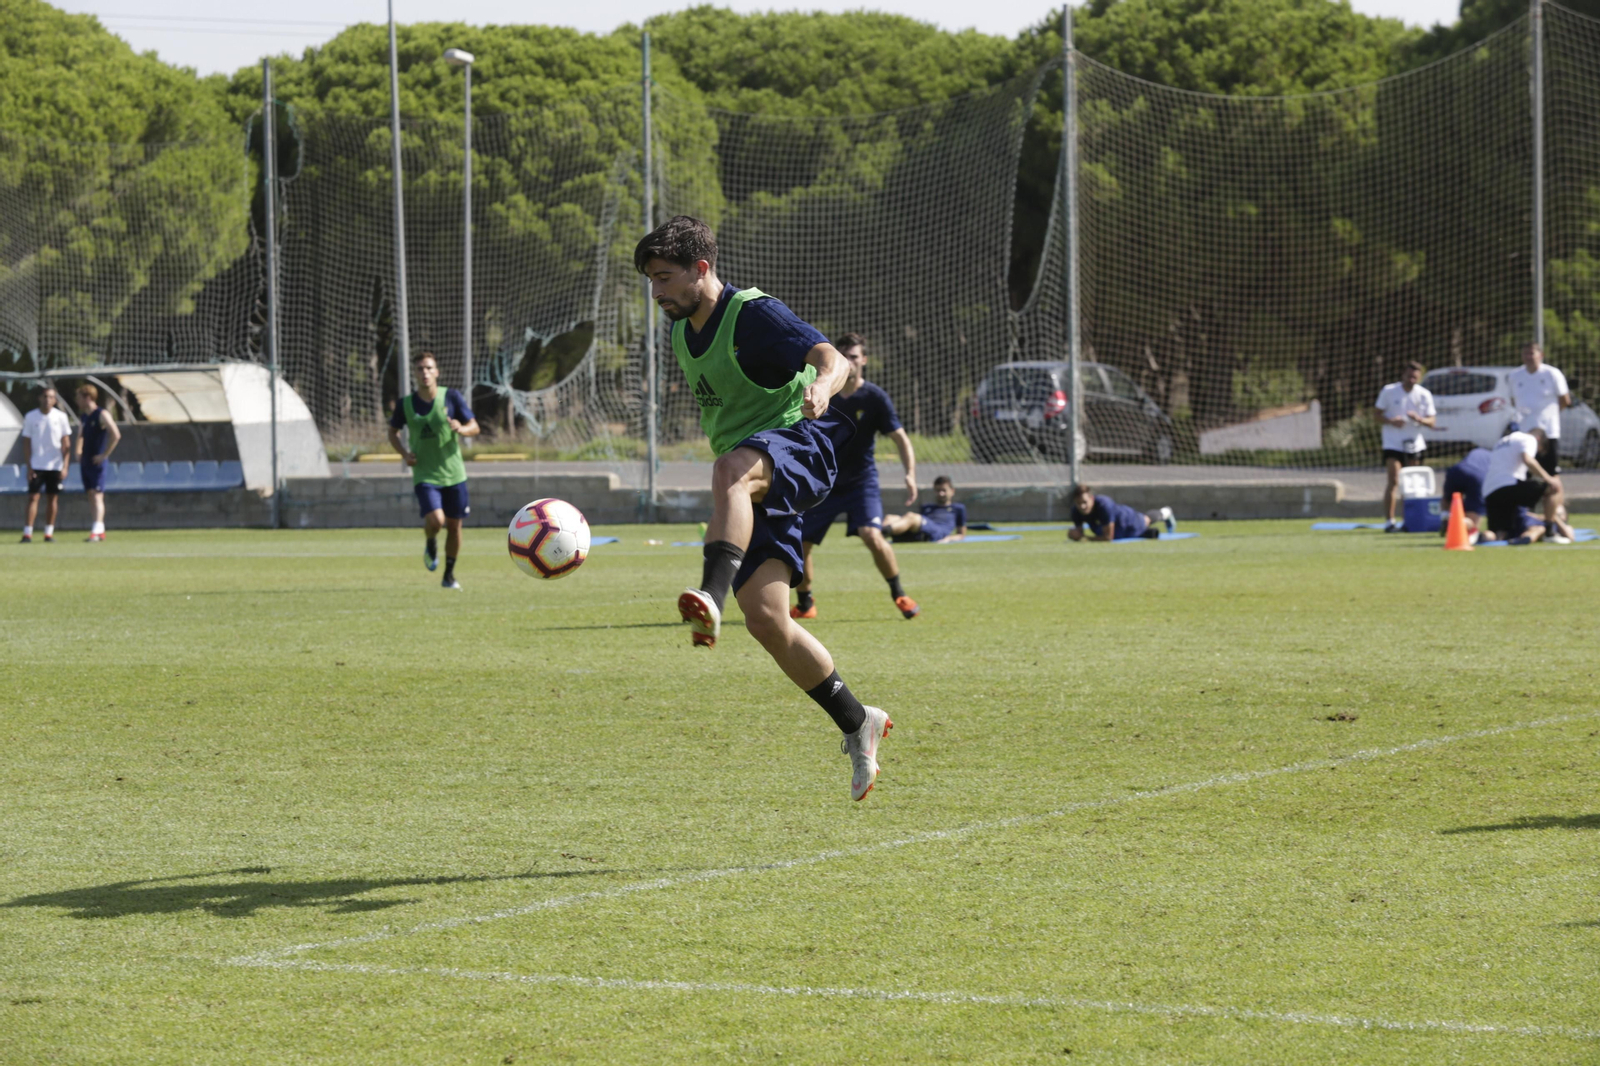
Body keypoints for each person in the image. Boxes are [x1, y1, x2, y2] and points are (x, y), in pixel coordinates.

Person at [637, 215, 891, 802]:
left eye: (666, 278)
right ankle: (859, 722)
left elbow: (833, 357)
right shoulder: (680, 333)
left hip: (801, 443)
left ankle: (709, 595)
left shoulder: (754, 313)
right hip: (755, 476)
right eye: (651, 281)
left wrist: (824, 386)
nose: (657, 293)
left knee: (727, 470)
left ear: (702, 269)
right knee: (770, 621)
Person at [792, 332, 920, 621]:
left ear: (863, 360)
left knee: (871, 534)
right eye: (844, 356)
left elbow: (900, 438)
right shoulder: (824, 393)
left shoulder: (874, 397)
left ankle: (899, 593)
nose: (849, 361)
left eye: (854, 356)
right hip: (824, 480)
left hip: (862, 481)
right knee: (801, 543)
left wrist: (910, 475)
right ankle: (805, 603)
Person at [387, 351, 479, 589]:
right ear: (414, 374)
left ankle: (448, 575)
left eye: (429, 368)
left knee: (454, 526)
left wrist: (461, 428)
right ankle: (430, 540)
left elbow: (474, 426)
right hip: (425, 474)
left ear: (436, 372)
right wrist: (405, 454)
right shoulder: (406, 404)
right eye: (420, 369)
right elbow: (392, 432)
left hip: (454, 474)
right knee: (437, 520)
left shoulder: (451, 397)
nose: (424, 373)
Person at [1372, 361, 1437, 532]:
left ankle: (1411, 520)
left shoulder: (1424, 394)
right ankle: (1389, 521)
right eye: (1409, 376)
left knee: (1412, 485)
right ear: (1403, 375)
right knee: (1394, 480)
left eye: (1415, 377)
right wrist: (1391, 421)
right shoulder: (1389, 391)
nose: (1411, 379)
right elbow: (1376, 415)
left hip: (1415, 444)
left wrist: (1419, 419)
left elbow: (1432, 421)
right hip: (1393, 443)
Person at [1481, 427, 1574, 545]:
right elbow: (1528, 459)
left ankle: (1485, 536)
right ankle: (1550, 532)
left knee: (1498, 532)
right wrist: (1548, 478)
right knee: (1553, 488)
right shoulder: (1529, 439)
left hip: (1489, 490)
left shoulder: (1503, 441)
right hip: (1509, 485)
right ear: (1539, 439)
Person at [1508, 342, 1570, 479]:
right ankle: (1526, 501)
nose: (1528, 357)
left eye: (1531, 353)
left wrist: (1550, 415)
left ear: (1541, 355)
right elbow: (1513, 400)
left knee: (1551, 474)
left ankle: (1556, 501)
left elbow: (1565, 400)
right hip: (1525, 433)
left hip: (1548, 433)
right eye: (1525, 353)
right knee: (1524, 473)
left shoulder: (1552, 373)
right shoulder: (1514, 376)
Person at [21, 386, 73, 543]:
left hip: (55, 465)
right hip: (37, 464)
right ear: (39, 398)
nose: (47, 399)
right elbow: (26, 443)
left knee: (52, 498)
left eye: (51, 397)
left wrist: (64, 466)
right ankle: (27, 533)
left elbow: (66, 444)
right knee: (33, 497)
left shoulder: (61, 417)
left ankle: (48, 532)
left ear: (55, 400)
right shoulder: (31, 417)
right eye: (45, 396)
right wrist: (29, 466)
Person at [73, 384, 121, 543]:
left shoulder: (102, 414)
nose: (76, 401)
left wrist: (104, 455)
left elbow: (115, 434)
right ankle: (99, 529)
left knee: (97, 494)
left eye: (79, 397)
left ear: (87, 397)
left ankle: (97, 528)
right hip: (86, 461)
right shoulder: (84, 417)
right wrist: (78, 451)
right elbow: (80, 435)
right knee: (90, 495)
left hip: (96, 461)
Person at [1066, 483, 1175, 542]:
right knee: (1148, 533)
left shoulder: (1104, 505)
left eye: (1085, 502)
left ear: (1091, 498)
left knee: (1146, 520)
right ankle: (1148, 533)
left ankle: (1166, 512)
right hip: (1116, 532)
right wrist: (1074, 535)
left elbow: (1108, 537)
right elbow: (1079, 533)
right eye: (1078, 503)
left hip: (1128, 521)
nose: (1082, 506)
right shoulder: (1076, 510)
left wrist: (1085, 539)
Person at [883, 475, 967, 544]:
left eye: (944, 490)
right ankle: (878, 535)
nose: (941, 493)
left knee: (911, 516)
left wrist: (948, 538)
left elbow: (961, 534)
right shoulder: (927, 507)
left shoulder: (958, 508)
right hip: (920, 531)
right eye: (938, 490)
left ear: (952, 491)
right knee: (890, 517)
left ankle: (881, 532)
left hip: (937, 532)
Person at [1438, 446, 1491, 543]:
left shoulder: (1478, 451)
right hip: (1477, 476)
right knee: (1473, 516)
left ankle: (1445, 517)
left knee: (1448, 499)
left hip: (1456, 470)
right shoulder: (1493, 457)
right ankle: (1461, 527)